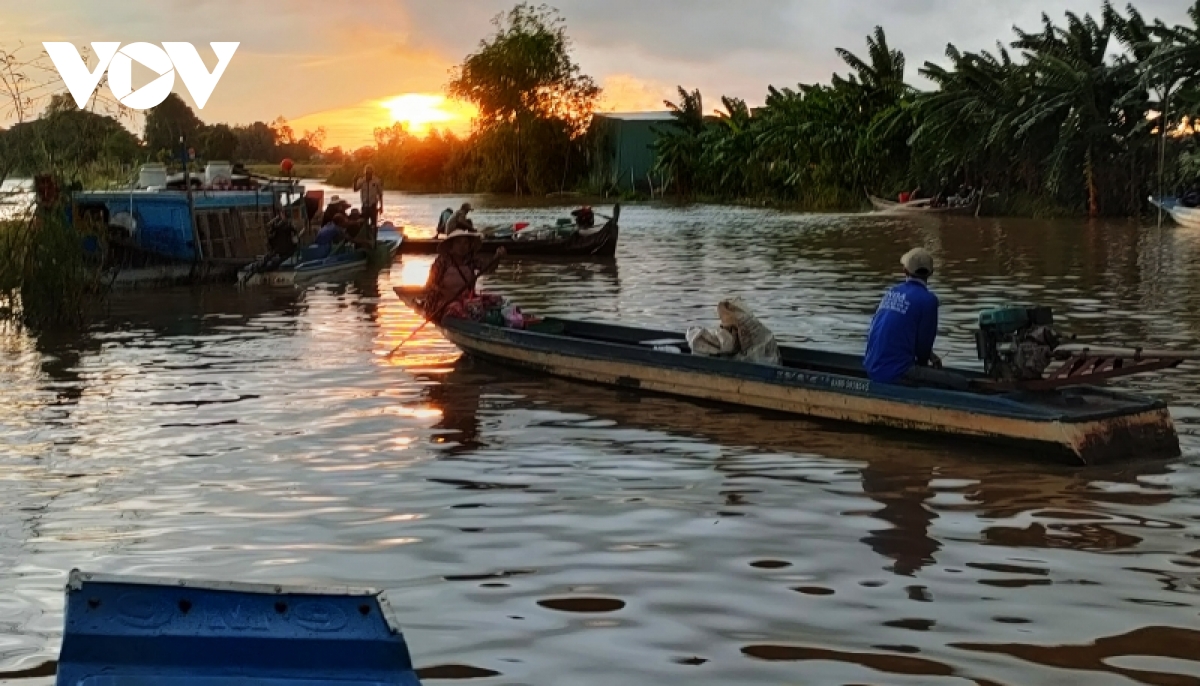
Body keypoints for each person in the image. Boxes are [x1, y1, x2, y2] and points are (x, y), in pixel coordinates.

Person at [863, 248, 969, 391]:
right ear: (931, 273)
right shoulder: (928, 300)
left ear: (904, 270)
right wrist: (928, 366)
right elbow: (923, 350)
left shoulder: (892, 292)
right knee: (961, 383)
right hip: (896, 373)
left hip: (871, 367)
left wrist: (931, 356)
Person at [422, 230, 506, 323]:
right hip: (443, 302)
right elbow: (429, 286)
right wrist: (445, 293)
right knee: (456, 308)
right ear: (451, 246)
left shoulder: (471, 260)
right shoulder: (442, 262)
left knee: (497, 300)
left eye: (465, 243)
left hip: (467, 300)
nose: (462, 246)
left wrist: (497, 257)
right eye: (458, 243)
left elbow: (489, 268)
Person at [353, 165, 383, 240]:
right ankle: (365, 240)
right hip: (365, 206)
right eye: (366, 173)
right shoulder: (361, 181)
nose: (368, 175)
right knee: (364, 224)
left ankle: (374, 240)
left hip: (373, 206)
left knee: (374, 224)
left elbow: (380, 194)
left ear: (372, 173)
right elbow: (355, 189)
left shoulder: (376, 181)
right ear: (365, 173)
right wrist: (354, 181)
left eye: (369, 173)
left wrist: (381, 206)